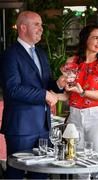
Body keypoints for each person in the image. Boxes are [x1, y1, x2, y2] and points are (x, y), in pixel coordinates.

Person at [0, 11, 65, 179]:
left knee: (42, 174)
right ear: (23, 27)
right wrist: (44, 94)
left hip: (43, 127)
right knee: (16, 173)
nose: (41, 29)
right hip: (21, 127)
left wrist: (58, 84)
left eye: (41, 25)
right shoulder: (10, 55)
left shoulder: (41, 54)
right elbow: (12, 89)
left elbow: (46, 83)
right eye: (37, 24)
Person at [53, 24, 98, 179]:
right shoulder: (72, 62)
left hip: (97, 118)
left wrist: (83, 92)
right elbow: (69, 95)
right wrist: (55, 95)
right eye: (95, 37)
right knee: (79, 167)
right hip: (74, 117)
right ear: (85, 40)